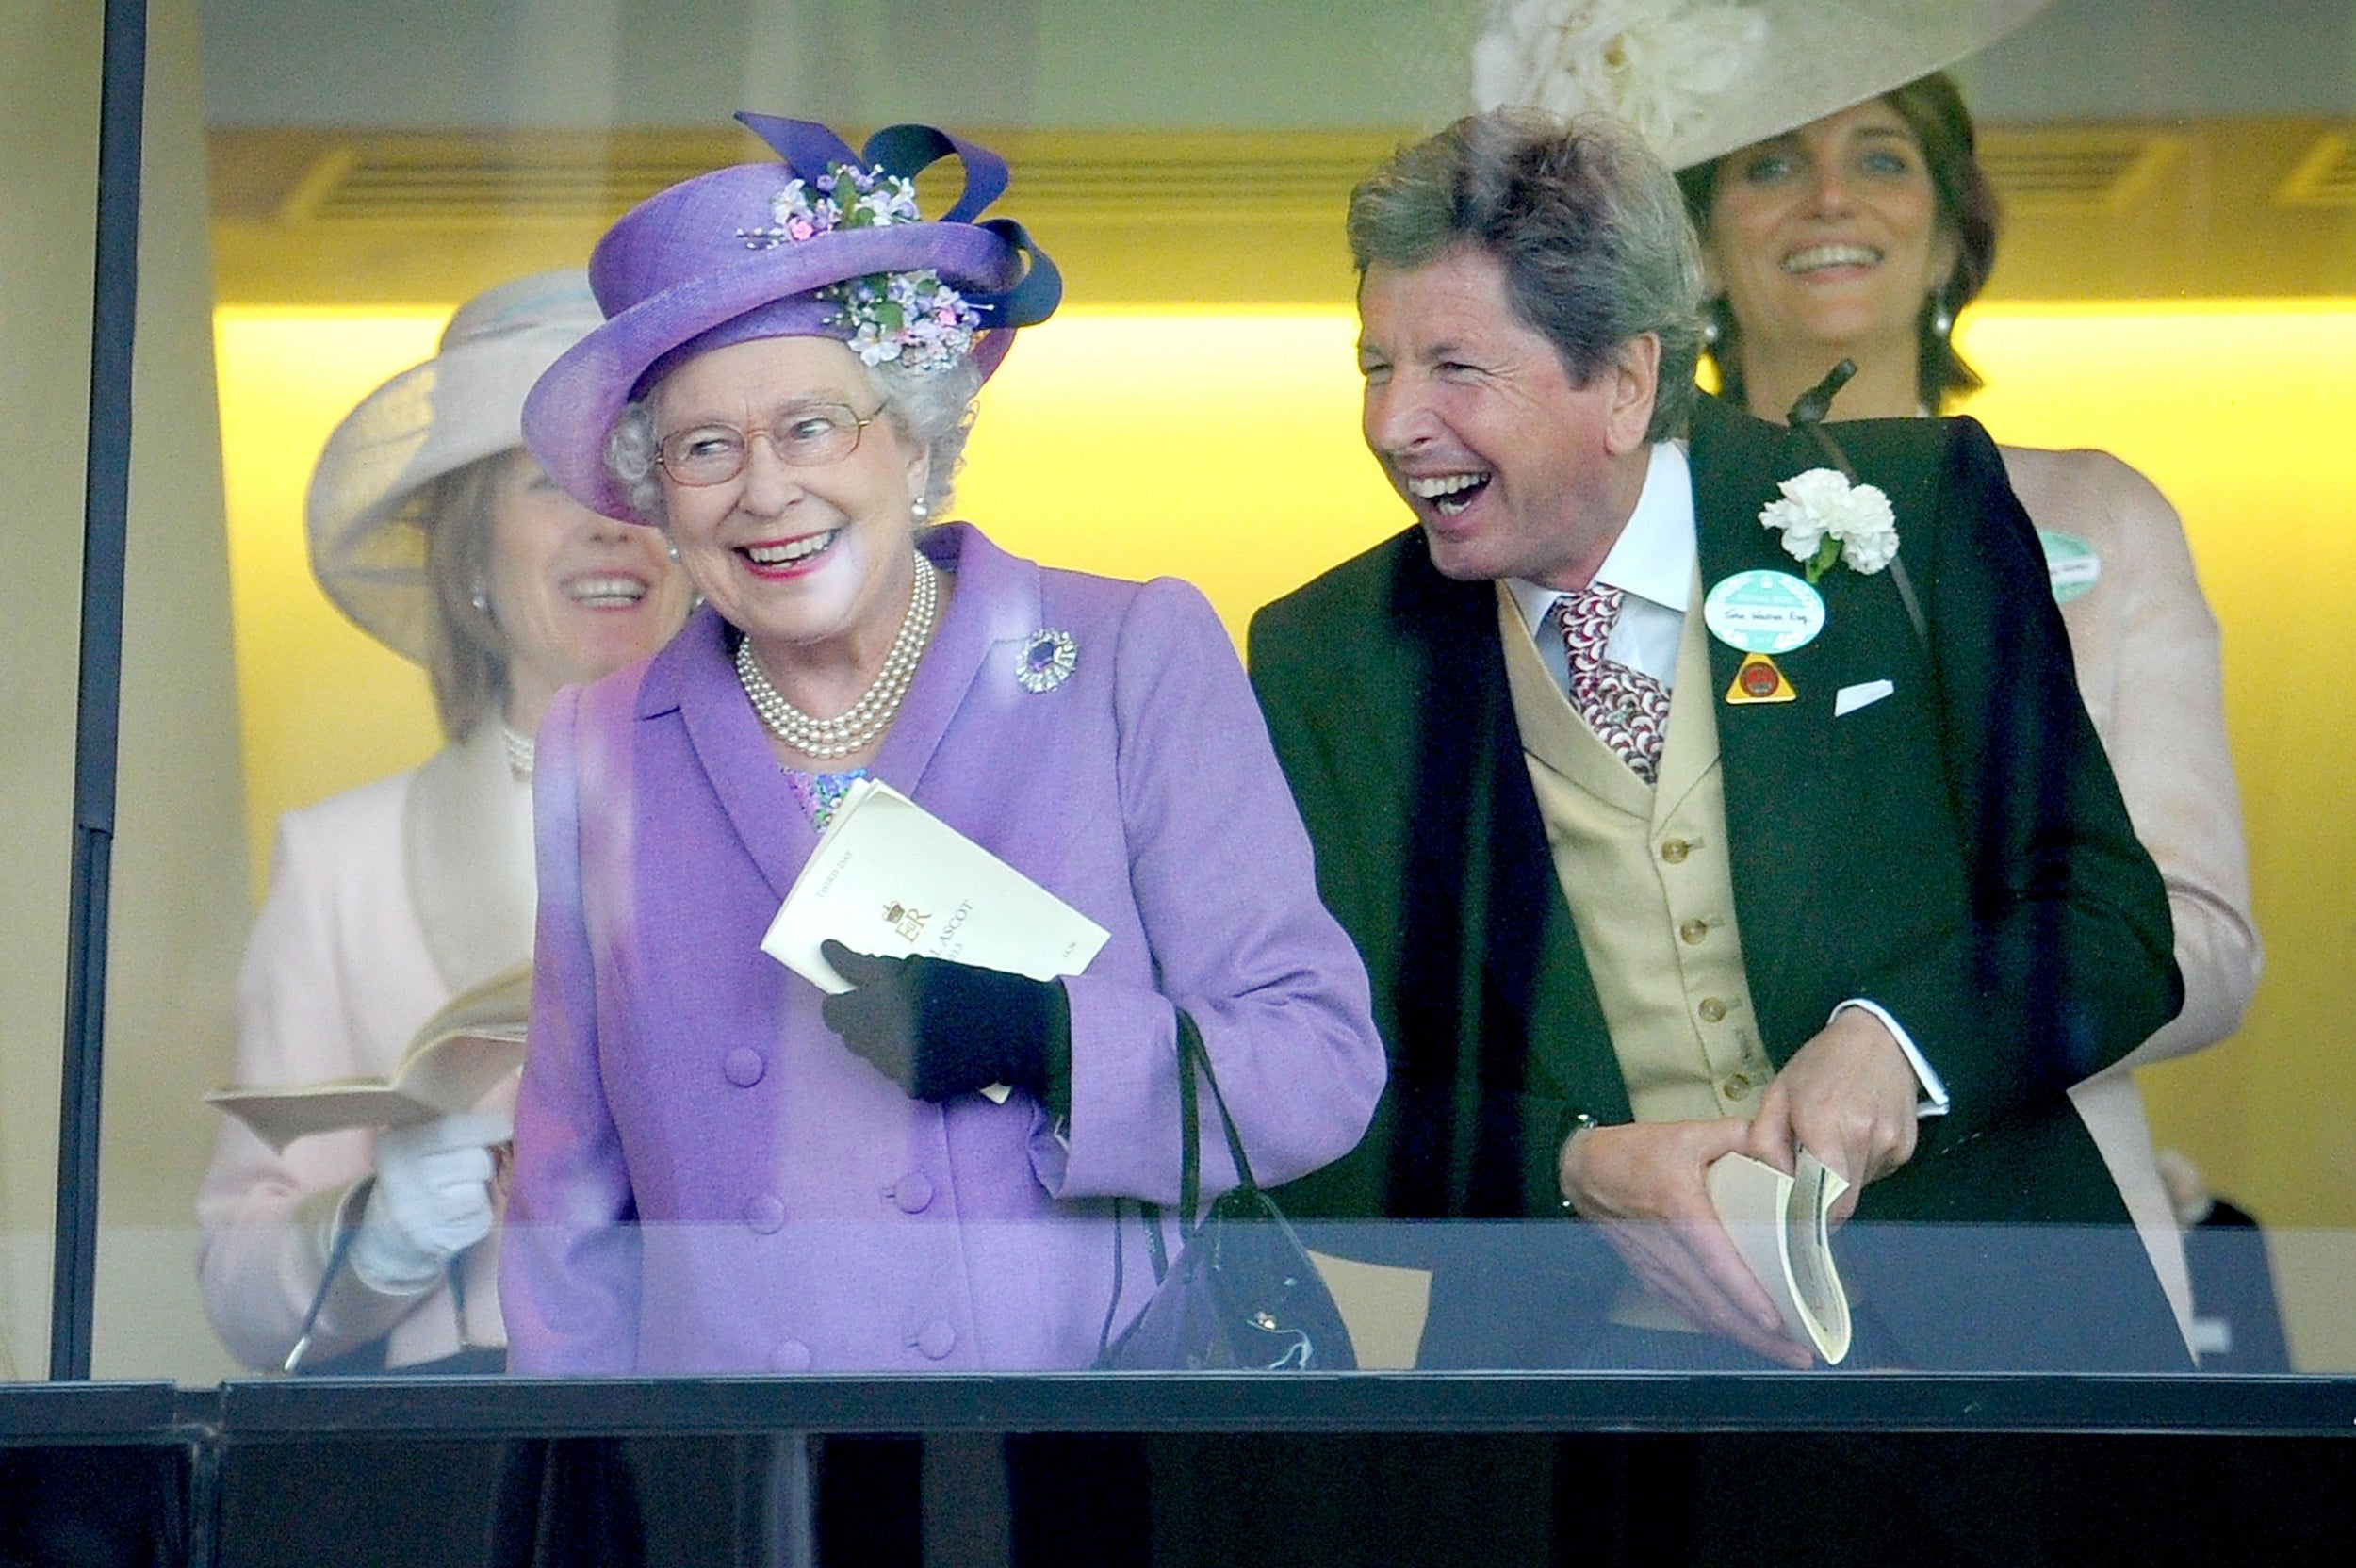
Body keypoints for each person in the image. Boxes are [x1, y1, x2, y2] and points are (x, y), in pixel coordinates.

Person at [1250, 107, 2187, 1372]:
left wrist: (1895, 1044)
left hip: (1991, 1358)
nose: (1392, 423)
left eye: (1452, 369)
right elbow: (1308, 1100)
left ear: (1627, 382)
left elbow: (2108, 924)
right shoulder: (1334, 655)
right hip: (1579, 1406)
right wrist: (1575, 1168)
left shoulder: (1912, 513)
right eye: (1376, 367)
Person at [499, 114, 1383, 1376]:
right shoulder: (605, 745)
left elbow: (1318, 1068)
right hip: (754, 1490)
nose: (763, 491)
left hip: (1072, 1469)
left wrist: (1051, 1042)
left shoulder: (1125, 658)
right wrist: (582, 1490)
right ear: (660, 495)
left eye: (811, 427)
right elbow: (567, 1207)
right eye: (705, 449)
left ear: (914, 436)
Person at [1670, 62, 2262, 1355]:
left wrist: (1912, 1039)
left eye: (1882, 157)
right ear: (1698, 252)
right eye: (1770, 163)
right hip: (1687, 1268)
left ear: (1950, 238)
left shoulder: (2094, 514)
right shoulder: (1616, 538)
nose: (1829, 194)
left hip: (2029, 1244)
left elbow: (2200, 933)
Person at [197, 271, 694, 1374]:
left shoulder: (803, 821)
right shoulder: (341, 861)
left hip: (744, 1428)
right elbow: (236, 1283)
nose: (609, 529)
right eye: (550, 483)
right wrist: (376, 1233)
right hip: (468, 1453)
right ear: (470, 550)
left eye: (636, 482)